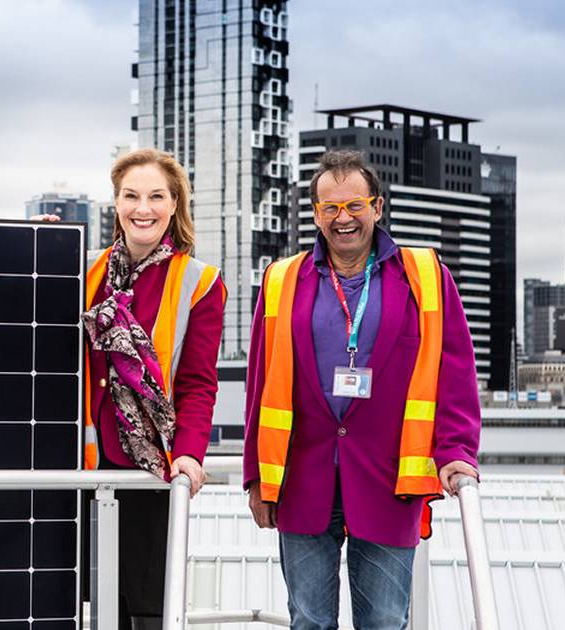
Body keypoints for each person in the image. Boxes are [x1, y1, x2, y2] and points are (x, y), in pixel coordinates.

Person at [242, 149, 481, 629]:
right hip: (303, 478)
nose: (342, 218)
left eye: (354, 205)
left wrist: (457, 450)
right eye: (329, 208)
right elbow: (259, 382)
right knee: (308, 620)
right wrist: (256, 477)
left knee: (386, 621)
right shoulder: (281, 279)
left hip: (388, 476)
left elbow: (455, 371)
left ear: (377, 206)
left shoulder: (426, 276)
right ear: (314, 214)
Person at [42, 148, 224, 630]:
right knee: (81, 603)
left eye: (156, 197)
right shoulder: (86, 270)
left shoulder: (199, 281)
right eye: (131, 196)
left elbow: (199, 383)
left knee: (145, 604)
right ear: (116, 203)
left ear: (174, 204)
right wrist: (40, 243)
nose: (143, 208)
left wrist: (189, 454)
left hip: (150, 468)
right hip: (82, 465)